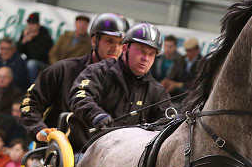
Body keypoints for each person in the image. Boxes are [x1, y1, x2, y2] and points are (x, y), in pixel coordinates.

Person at [20, 12, 128, 149]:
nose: (116, 48)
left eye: (121, 43)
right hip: (52, 154)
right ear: (94, 41)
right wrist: (38, 129)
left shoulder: (128, 84)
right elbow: (30, 103)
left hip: (100, 163)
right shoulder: (63, 69)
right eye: (109, 41)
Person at [69, 21, 171, 135]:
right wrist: (96, 115)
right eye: (141, 51)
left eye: (151, 54)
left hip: (130, 151)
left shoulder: (158, 93)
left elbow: (166, 124)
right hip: (85, 147)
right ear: (125, 48)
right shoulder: (98, 72)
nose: (145, 58)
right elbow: (80, 95)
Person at [17, 12, 54, 82]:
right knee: (17, 62)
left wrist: (33, 40)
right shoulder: (25, 33)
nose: (30, 26)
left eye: (33, 24)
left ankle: (32, 88)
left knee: (31, 63)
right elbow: (18, 51)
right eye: (29, 24)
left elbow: (40, 55)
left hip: (43, 63)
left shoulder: (45, 36)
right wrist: (23, 41)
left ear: (38, 25)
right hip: (28, 60)